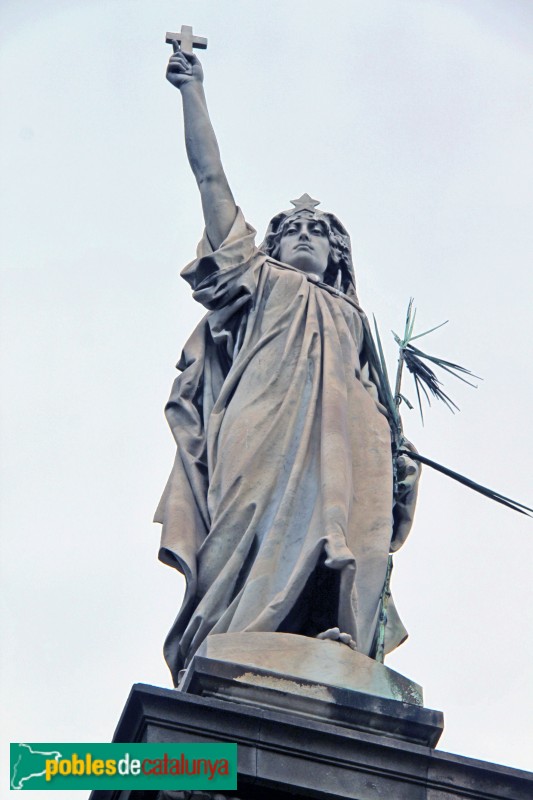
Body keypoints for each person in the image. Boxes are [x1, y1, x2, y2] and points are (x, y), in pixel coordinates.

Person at [155, 45, 420, 686]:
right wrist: (193, 91)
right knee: (248, 520)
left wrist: (397, 456)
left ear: (338, 255)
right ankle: (236, 633)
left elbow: (377, 404)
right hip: (263, 424)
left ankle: (319, 635)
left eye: (318, 230)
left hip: (346, 440)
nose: (304, 234)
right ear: (272, 244)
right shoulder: (258, 277)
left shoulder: (356, 321)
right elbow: (212, 184)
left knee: (348, 528)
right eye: (292, 227)